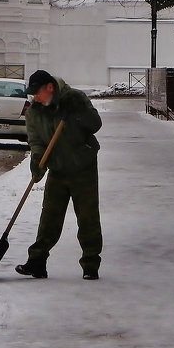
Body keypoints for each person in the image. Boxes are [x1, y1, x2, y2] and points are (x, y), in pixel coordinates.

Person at [15, 69, 104, 280]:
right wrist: (37, 161)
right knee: (49, 217)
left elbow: (96, 125)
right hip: (58, 169)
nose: (35, 97)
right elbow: (36, 142)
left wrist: (80, 110)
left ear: (50, 88)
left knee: (87, 216)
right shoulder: (34, 112)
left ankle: (90, 264)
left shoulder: (74, 99)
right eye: (32, 93)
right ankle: (37, 262)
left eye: (38, 92)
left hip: (83, 167)